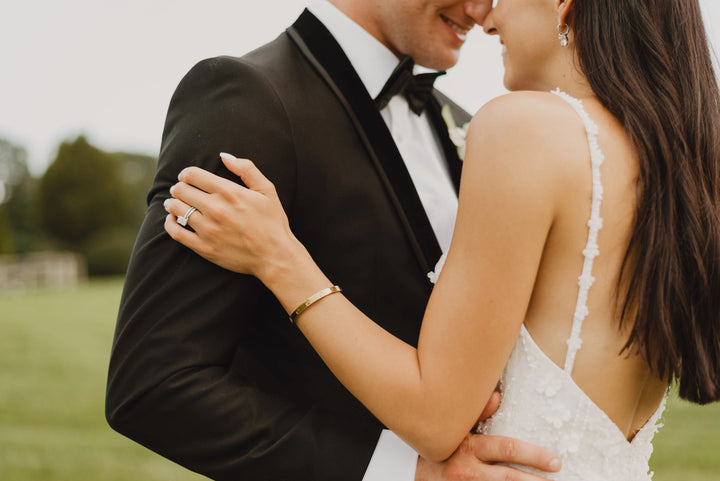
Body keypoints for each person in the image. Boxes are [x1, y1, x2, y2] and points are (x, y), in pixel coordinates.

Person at [162, 0, 720, 479]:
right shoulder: (677, 160)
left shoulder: (524, 128)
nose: (488, 14)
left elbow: (435, 417)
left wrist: (279, 258)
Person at [105, 0, 561, 480]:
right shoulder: (244, 98)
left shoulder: (468, 124)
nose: (479, 8)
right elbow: (154, 385)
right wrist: (402, 472)